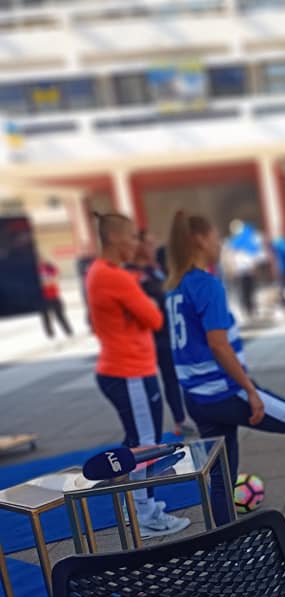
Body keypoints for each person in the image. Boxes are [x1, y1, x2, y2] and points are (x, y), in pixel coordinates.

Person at [164, 210, 285, 526]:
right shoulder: (206, 285)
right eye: (214, 236)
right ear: (199, 240)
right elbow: (218, 345)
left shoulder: (174, 287)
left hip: (197, 397)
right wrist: (250, 390)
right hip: (224, 391)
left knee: (222, 477)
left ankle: (223, 544)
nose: (219, 243)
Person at [86, 211, 191, 538]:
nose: (136, 243)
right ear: (114, 238)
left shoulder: (103, 272)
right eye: (132, 236)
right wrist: (144, 307)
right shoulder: (113, 276)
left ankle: (136, 506)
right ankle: (145, 515)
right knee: (146, 444)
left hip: (128, 369)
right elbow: (155, 318)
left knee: (138, 441)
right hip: (129, 371)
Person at [131, 229, 193, 437]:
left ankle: (180, 418)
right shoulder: (132, 274)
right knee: (150, 387)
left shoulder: (156, 270)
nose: (152, 248)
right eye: (148, 244)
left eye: (153, 243)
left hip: (167, 334)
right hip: (148, 338)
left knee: (172, 378)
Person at [38, 257, 73, 340]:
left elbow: (56, 277)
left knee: (60, 315)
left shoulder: (48, 266)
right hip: (41, 298)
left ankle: (68, 332)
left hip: (54, 295)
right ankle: (50, 335)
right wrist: (47, 281)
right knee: (45, 317)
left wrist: (47, 281)